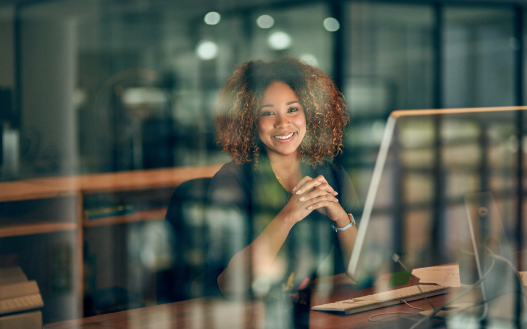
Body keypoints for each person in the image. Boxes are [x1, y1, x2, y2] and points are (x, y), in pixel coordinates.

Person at [205, 57, 360, 298]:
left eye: (292, 109)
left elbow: (364, 271)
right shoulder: (232, 181)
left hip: (322, 309)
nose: (283, 123)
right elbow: (230, 283)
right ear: (249, 122)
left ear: (309, 114)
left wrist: (340, 216)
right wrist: (288, 215)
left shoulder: (331, 174)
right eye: (268, 113)